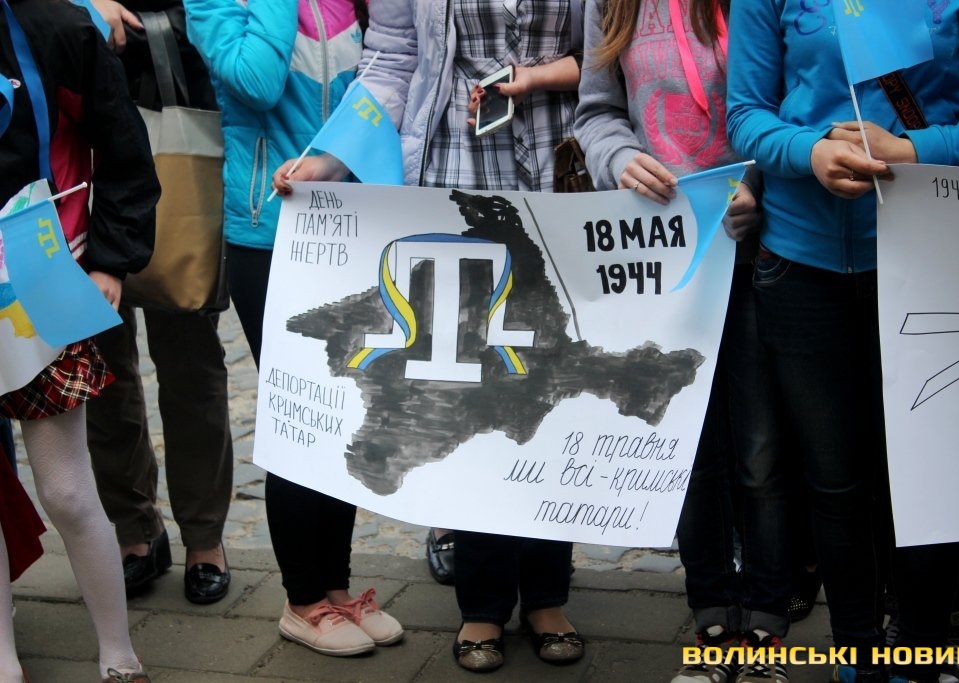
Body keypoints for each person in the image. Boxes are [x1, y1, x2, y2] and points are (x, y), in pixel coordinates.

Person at [272, 0, 587, 673]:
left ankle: (547, 595)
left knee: (549, 389)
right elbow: (390, 59)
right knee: (471, 396)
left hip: (565, 178)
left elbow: (609, 54)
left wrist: (539, 78)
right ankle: (483, 602)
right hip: (452, 181)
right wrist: (329, 159)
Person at [726, 2, 959, 683]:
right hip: (800, 261)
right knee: (833, 480)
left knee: (926, 472)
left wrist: (914, 152)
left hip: (935, 255)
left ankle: (919, 650)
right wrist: (811, 151)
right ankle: (856, 650)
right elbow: (745, 113)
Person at [574, 1, 789, 682]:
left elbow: (788, 103)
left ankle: (767, 623)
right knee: (689, 453)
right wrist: (621, 158)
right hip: (664, 264)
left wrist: (759, 187)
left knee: (760, 451)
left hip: (754, 255)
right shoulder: (612, 5)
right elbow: (596, 112)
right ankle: (712, 617)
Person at [182, 0, 403, 657]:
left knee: (345, 408)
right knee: (300, 412)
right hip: (268, 234)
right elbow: (255, 81)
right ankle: (302, 599)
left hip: (347, 225)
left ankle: (336, 589)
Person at [0, 0, 161, 679]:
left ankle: (119, 654)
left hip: (39, 282)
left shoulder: (59, 29)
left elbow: (124, 148)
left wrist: (109, 261)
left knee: (66, 490)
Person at [83, 0, 235, 605]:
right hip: (79, 123)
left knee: (191, 359)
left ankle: (204, 535)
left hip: (177, 104)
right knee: (98, 365)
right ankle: (134, 529)